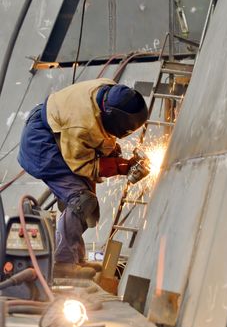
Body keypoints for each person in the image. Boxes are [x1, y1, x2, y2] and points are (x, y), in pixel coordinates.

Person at [18, 78, 148, 279]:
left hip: (59, 129)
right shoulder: (81, 125)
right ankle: (63, 263)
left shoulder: (110, 93)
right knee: (81, 200)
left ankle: (76, 258)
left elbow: (99, 140)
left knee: (87, 205)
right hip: (42, 143)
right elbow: (83, 166)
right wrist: (120, 166)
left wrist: (113, 154)